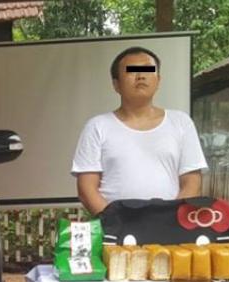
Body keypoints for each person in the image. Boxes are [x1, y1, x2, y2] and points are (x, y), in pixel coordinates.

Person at [71, 46, 208, 216]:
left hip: (169, 225)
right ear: (116, 84)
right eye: (132, 71)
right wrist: (116, 223)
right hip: (115, 227)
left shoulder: (181, 122)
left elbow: (192, 182)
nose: (141, 75)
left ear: (158, 80)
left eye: (148, 70)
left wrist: (171, 220)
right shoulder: (97, 126)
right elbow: (87, 188)